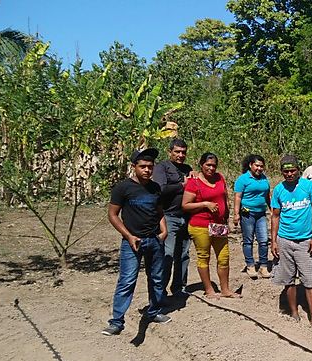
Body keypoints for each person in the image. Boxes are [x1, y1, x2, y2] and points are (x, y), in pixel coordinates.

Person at [102, 148, 171, 336]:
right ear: (134, 167)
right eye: (143, 167)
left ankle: (154, 311)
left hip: (154, 241)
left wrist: (164, 231)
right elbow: (113, 215)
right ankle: (116, 321)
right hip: (132, 242)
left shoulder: (155, 188)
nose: (147, 170)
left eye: (150, 167)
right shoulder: (123, 188)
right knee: (127, 280)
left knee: (157, 278)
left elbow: (159, 212)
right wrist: (129, 236)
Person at [270, 155, 312, 326]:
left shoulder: (308, 186)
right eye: (286, 171)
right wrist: (274, 241)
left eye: (292, 171)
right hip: (285, 240)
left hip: (305, 241)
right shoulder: (278, 190)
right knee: (288, 280)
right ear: (282, 172)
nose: (289, 174)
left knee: (309, 280)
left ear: (298, 170)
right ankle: (294, 312)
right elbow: (275, 216)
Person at [182, 153, 238, 298]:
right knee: (204, 257)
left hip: (218, 224)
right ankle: (209, 290)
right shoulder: (193, 182)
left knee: (224, 257)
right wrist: (205, 204)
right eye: (208, 165)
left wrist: (227, 216)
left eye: (214, 165)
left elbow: (224, 197)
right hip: (200, 225)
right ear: (201, 164)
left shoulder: (220, 178)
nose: (211, 168)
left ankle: (225, 289)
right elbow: (185, 205)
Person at [152, 138, 192, 297]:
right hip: (168, 216)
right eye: (177, 152)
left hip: (186, 216)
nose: (180, 155)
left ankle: (179, 288)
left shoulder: (188, 169)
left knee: (183, 254)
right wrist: (182, 185)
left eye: (183, 152)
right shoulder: (161, 167)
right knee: (167, 254)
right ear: (170, 152)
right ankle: (159, 292)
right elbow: (160, 189)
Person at [233, 154, 271, 279]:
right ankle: (250, 265)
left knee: (264, 240)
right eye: (257, 165)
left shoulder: (264, 179)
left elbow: (267, 196)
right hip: (247, 213)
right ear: (250, 165)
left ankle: (263, 266)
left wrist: (272, 209)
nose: (259, 168)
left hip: (261, 213)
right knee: (248, 240)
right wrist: (236, 214)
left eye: (261, 166)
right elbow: (237, 197)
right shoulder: (243, 179)